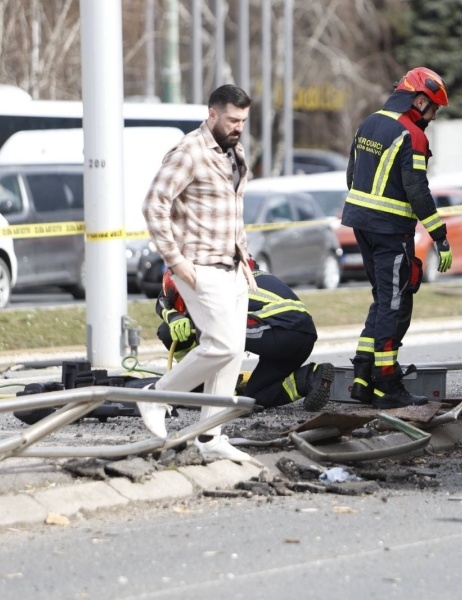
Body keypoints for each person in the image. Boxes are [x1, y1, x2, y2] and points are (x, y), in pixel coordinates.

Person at [138, 84, 255, 463]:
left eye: (243, 121)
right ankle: (156, 396)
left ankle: (210, 436)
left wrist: (245, 260)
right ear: (212, 114)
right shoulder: (189, 151)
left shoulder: (234, 153)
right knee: (221, 345)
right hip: (199, 267)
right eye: (233, 120)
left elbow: (232, 211)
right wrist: (175, 261)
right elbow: (154, 205)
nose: (238, 127)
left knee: (232, 355)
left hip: (233, 267)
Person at [340, 66, 453, 409]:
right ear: (419, 101)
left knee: (382, 299)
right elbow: (417, 191)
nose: (433, 116)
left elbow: (351, 176)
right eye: (433, 108)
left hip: (361, 224)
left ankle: (363, 377)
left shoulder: (368, 123)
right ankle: (387, 384)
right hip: (391, 230)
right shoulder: (412, 135)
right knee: (395, 303)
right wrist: (440, 235)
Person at [155, 264, 335, 412]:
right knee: (253, 397)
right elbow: (162, 300)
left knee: (209, 328)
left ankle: (220, 391)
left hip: (280, 330)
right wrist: (173, 316)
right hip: (303, 336)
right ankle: (310, 378)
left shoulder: (211, 288)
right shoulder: (228, 273)